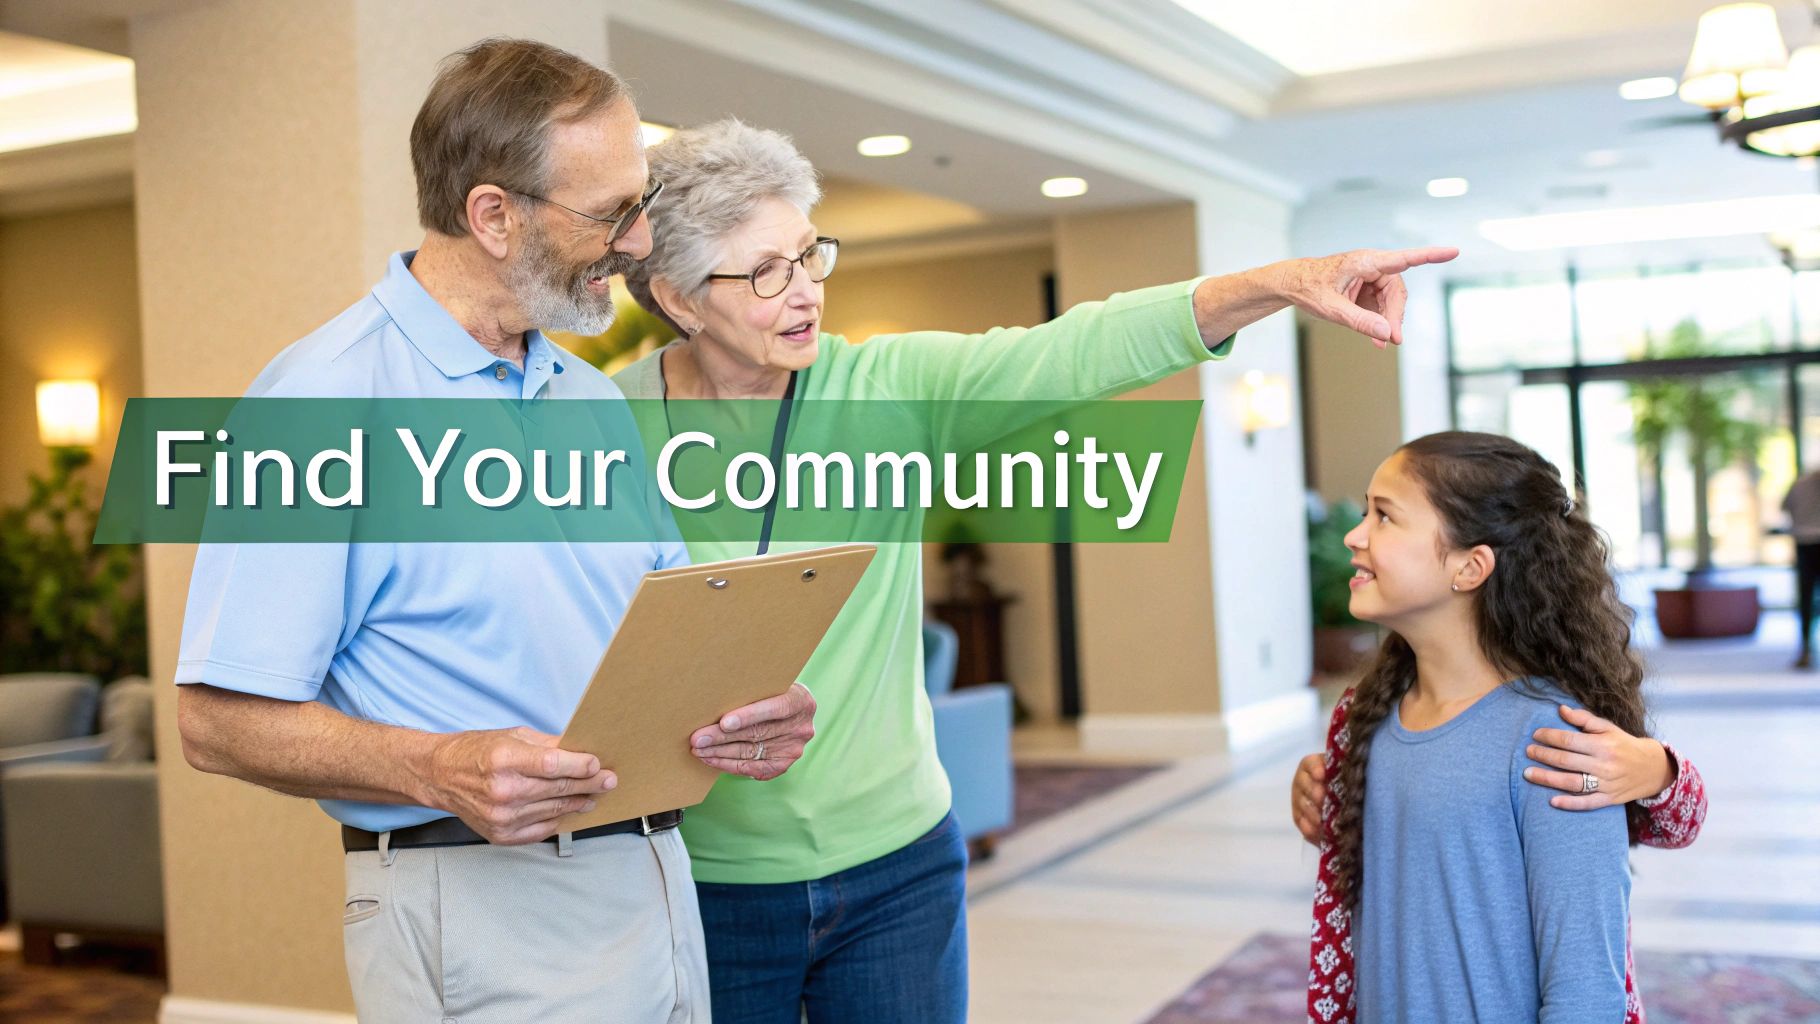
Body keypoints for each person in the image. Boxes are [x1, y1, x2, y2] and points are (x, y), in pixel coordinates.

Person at [614, 117, 1458, 1023]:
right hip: (704, 879)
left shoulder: (887, 390)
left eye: (809, 255)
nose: (805, 292)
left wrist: (1278, 284)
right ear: (678, 297)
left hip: (896, 868)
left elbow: (1078, 349)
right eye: (764, 273)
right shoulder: (601, 422)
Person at [173, 40, 815, 1024]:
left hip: (655, 884)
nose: (640, 241)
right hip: (474, 902)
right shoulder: (322, 402)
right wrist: (437, 766)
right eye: (612, 213)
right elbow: (215, 721)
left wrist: (747, 704)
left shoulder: (589, 401)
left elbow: (662, 636)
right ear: (493, 216)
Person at [1302, 432, 1682, 1023]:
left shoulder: (1556, 741)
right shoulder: (1362, 718)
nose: (1355, 535)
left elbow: (1586, 994)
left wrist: (1659, 770)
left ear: (1470, 566)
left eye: (1384, 516)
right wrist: (1328, 804)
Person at [1783, 466, 1820, 667]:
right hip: (1807, 541)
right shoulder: (1801, 484)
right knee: (1806, 597)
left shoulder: (1800, 484)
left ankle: (1806, 648)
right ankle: (1806, 647)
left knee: (1806, 596)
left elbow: (1785, 507)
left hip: (1805, 543)